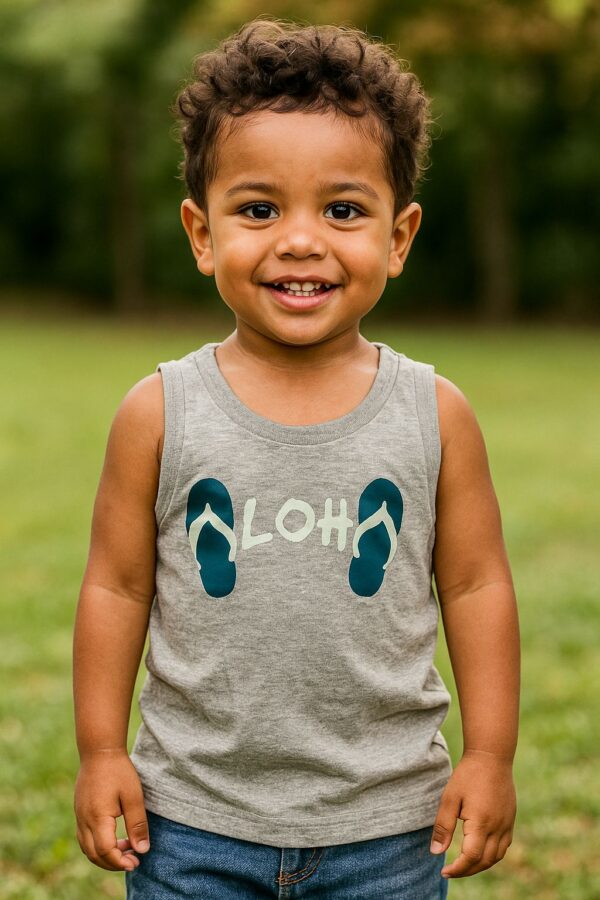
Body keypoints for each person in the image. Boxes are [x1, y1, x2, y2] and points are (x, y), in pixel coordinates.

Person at [73, 16, 520, 899]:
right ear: (202, 234)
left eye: (343, 210)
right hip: (191, 820)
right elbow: (115, 589)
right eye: (259, 209)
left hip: (388, 824)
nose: (301, 240)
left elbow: (476, 587)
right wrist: (100, 752)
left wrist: (490, 755)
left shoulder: (435, 414)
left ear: (399, 236)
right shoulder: (159, 412)